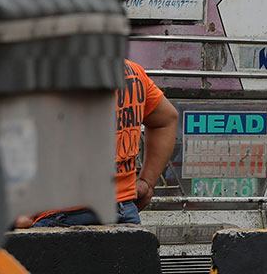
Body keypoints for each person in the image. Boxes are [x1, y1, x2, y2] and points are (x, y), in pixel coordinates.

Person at [17, 59, 178, 227]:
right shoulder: (131, 72)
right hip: (123, 211)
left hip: (62, 218)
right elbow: (166, 119)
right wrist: (147, 182)